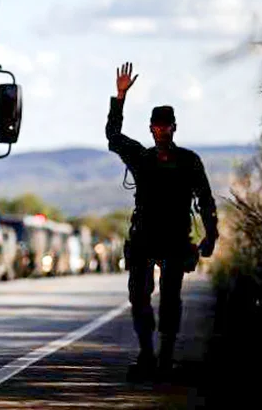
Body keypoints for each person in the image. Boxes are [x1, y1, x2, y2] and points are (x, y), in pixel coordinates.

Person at [105, 61, 218, 381]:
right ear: (152, 129)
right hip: (144, 237)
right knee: (139, 297)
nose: (162, 130)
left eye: (167, 126)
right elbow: (113, 136)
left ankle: (165, 358)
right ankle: (147, 354)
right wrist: (120, 97)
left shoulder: (189, 161)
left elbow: (206, 200)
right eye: (157, 126)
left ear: (174, 128)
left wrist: (211, 236)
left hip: (175, 239)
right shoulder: (141, 158)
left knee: (170, 300)